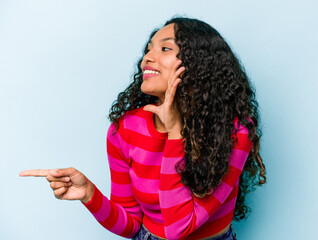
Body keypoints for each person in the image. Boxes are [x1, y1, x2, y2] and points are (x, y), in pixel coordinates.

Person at [19, 17, 266, 240]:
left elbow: (179, 228)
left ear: (200, 64)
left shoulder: (235, 131)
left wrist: (175, 132)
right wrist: (89, 195)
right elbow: (132, 226)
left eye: (165, 48)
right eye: (148, 50)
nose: (147, 57)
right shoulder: (124, 130)